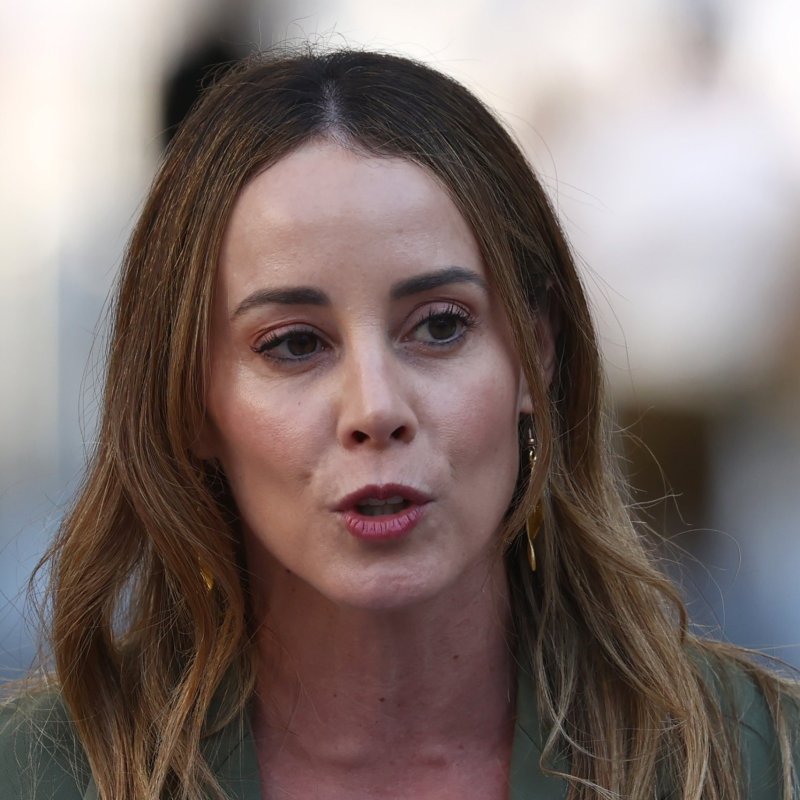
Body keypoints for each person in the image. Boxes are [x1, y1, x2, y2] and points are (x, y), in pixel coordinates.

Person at [1, 47, 798, 800]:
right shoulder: (41, 773)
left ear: (537, 353)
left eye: (440, 327)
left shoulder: (756, 761)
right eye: (294, 344)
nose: (376, 408)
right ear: (189, 402)